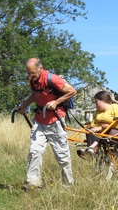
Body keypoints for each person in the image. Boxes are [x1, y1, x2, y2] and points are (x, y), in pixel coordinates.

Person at [16, 58, 76, 190]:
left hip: (55, 120)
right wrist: (24, 106)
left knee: (62, 155)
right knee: (34, 151)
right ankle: (32, 183)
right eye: (28, 73)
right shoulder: (33, 80)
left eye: (32, 73)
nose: (29, 76)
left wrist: (56, 102)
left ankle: (68, 185)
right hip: (39, 120)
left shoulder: (52, 79)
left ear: (40, 68)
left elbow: (72, 91)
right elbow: (35, 94)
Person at [77, 90, 118, 159]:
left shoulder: (115, 107)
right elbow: (93, 123)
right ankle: (91, 150)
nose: (95, 104)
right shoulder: (97, 111)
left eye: (96, 101)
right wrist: (96, 127)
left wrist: (103, 126)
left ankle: (92, 148)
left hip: (113, 129)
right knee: (90, 129)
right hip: (100, 131)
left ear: (103, 100)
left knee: (103, 129)